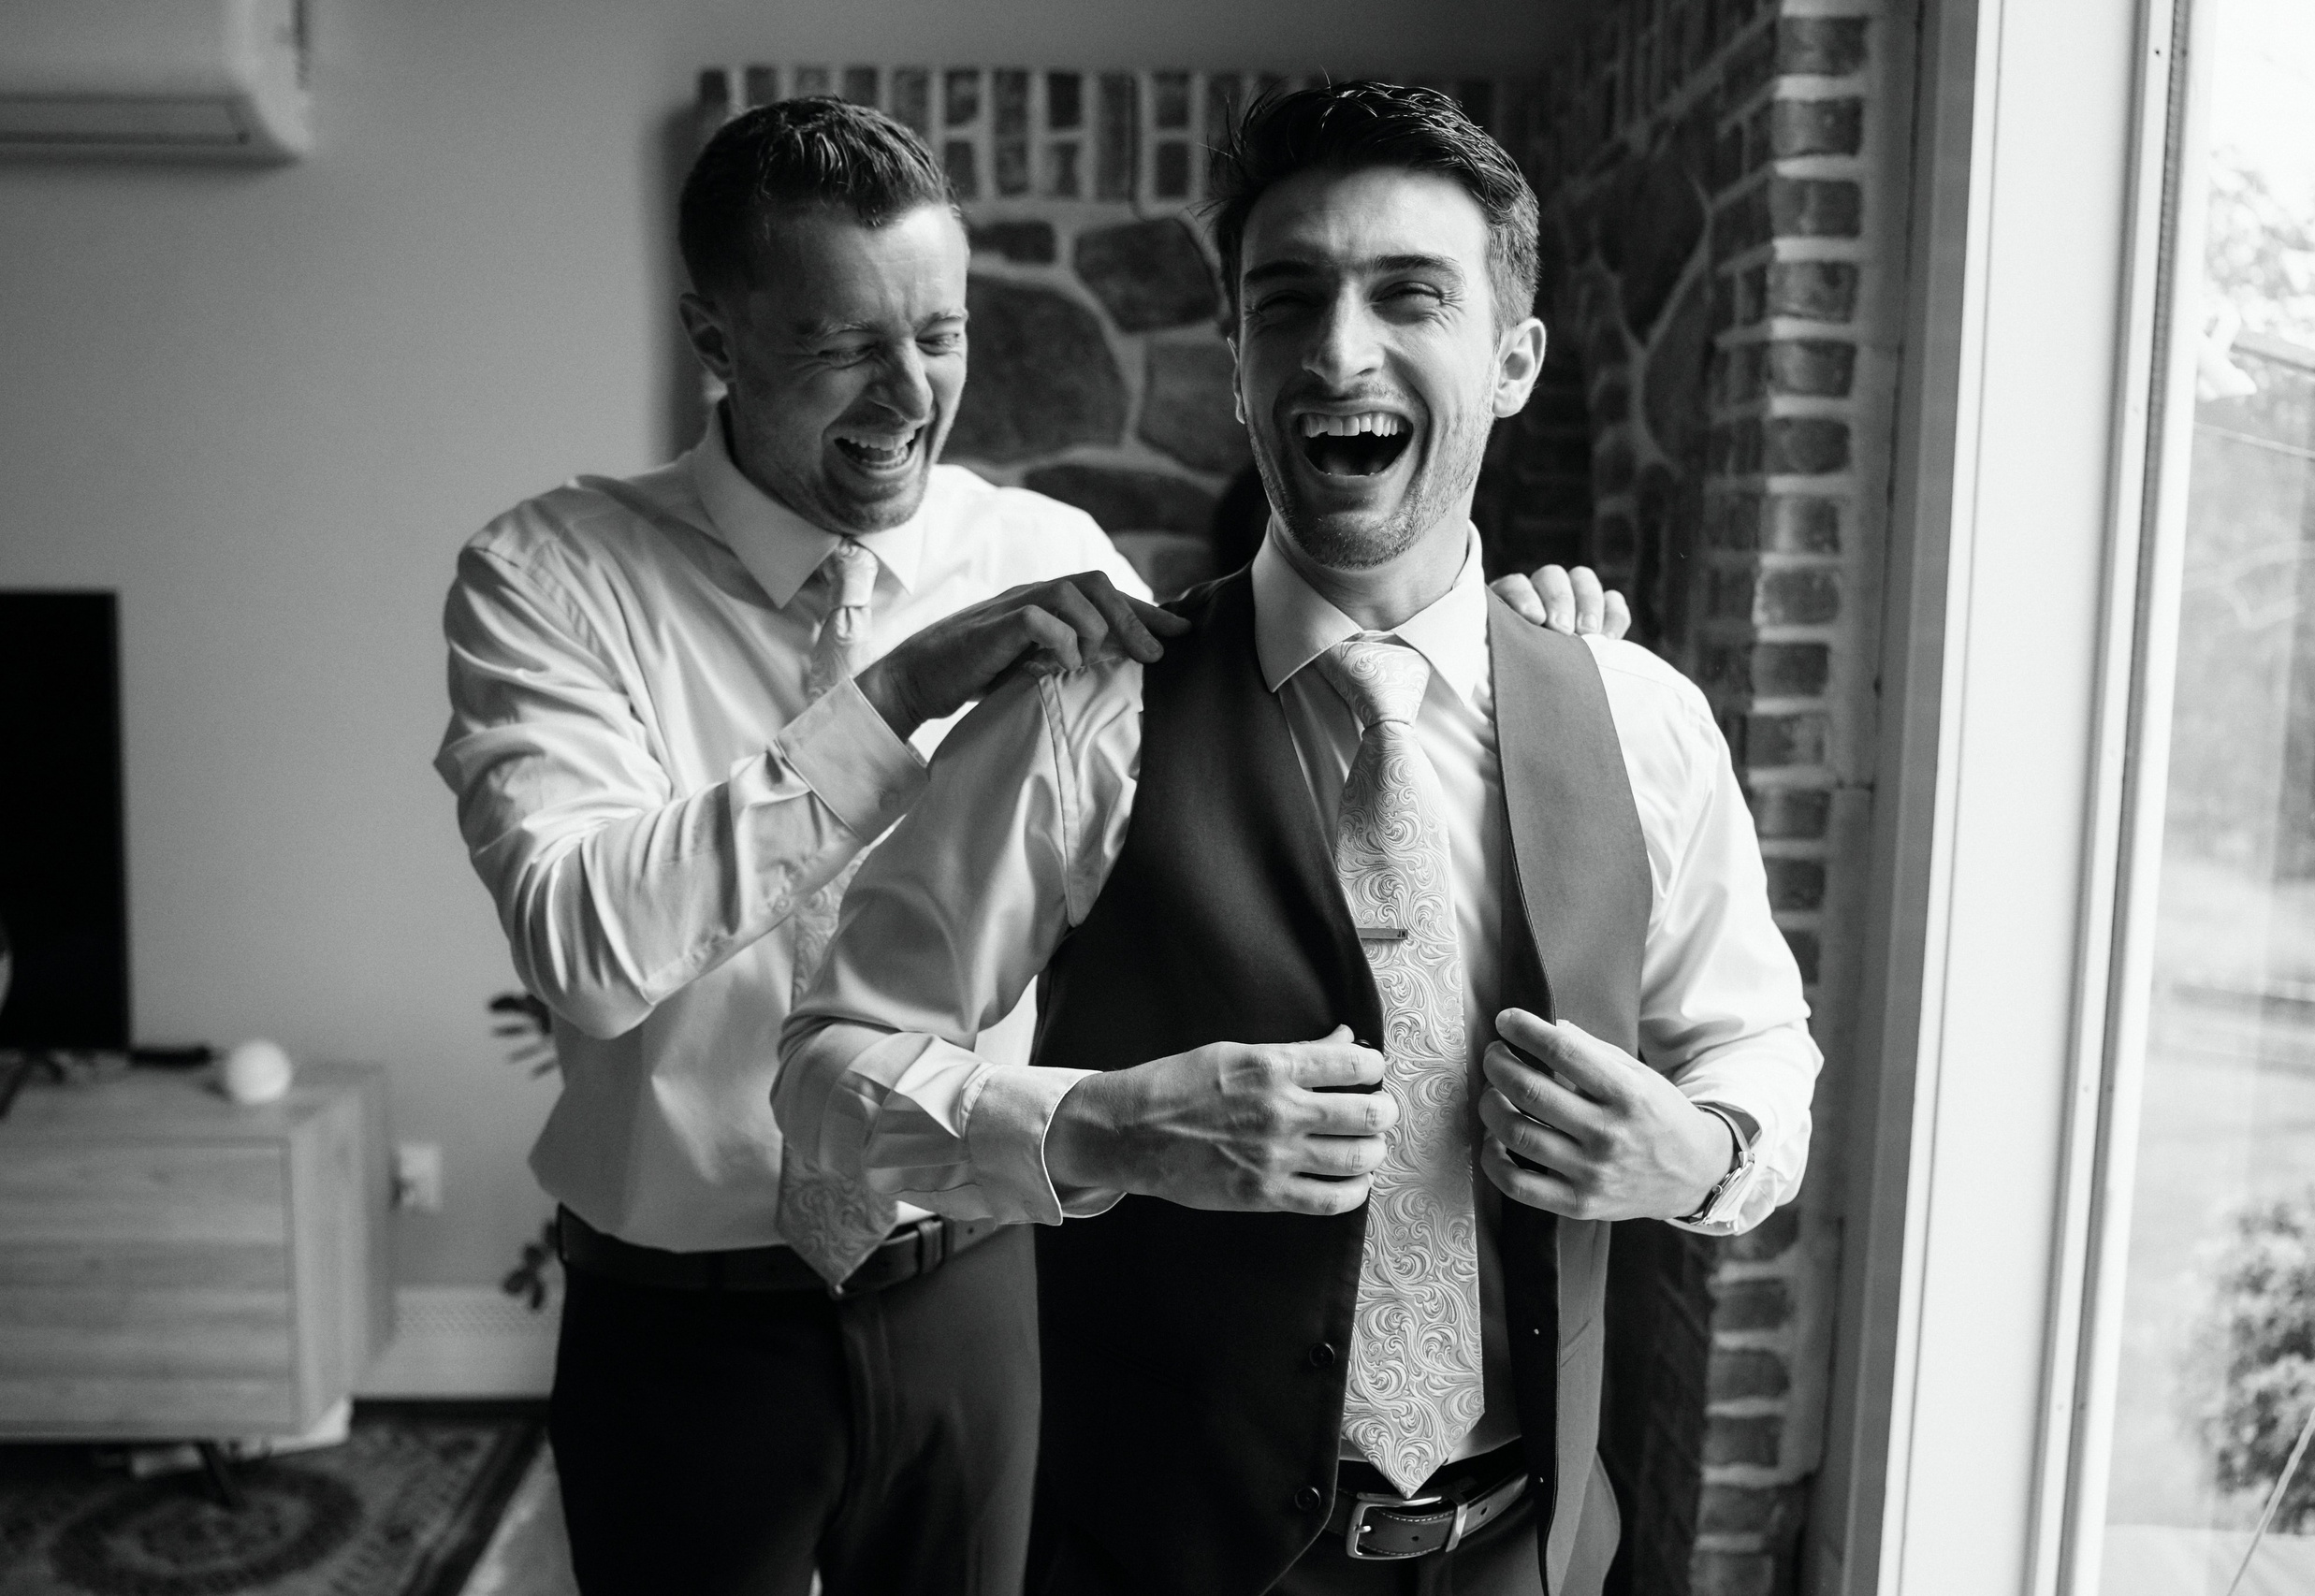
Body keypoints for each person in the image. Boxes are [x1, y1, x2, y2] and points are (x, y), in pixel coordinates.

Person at [437, 96, 1622, 1596]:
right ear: (715, 337)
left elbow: (1278, 748)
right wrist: (900, 696)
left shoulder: (1048, 553)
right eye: (837, 343)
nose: (908, 391)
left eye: (940, 332)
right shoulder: (547, 574)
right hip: (688, 1321)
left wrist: (1523, 648)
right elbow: (589, 951)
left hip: (988, 1287)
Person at [774, 81, 1818, 1596]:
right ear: (1240, 365)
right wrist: (1100, 1129)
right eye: (1290, 300)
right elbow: (822, 1075)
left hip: (1535, 1557)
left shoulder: (1643, 720)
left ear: (1511, 361)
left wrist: (1696, 1151)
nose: (1341, 348)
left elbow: (1760, 1047)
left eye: (1409, 295)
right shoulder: (1083, 721)